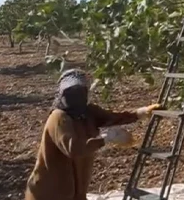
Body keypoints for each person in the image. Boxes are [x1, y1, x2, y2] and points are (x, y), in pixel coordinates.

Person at [24, 69, 162, 200]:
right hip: (49, 192)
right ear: (61, 94)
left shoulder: (88, 112)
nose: (75, 96)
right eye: (70, 92)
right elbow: (73, 149)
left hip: (76, 191)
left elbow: (112, 117)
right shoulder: (58, 117)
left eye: (79, 91)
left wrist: (140, 113)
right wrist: (105, 139)